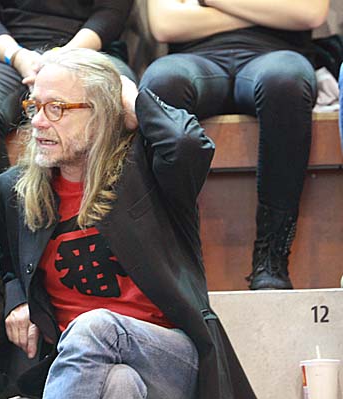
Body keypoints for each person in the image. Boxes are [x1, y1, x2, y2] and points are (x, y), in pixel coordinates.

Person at [0, 48, 255, 399]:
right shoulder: (13, 191)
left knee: (95, 326)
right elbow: (8, 261)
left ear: (101, 114)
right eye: (34, 107)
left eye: (56, 108)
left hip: (168, 357)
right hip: (81, 365)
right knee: (119, 383)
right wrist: (18, 299)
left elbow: (188, 143)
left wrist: (131, 98)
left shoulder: (147, 173)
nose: (38, 122)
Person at [140, 0, 329, 290]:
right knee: (162, 82)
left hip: (276, 55)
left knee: (285, 80)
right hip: (194, 59)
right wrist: (269, 12)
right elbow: (165, 25)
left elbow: (309, 13)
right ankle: (176, 256)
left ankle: (272, 255)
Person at [0, 0, 136, 243]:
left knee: (118, 100)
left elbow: (111, 12)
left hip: (89, 52)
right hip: (7, 55)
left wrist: (62, 60)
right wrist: (18, 57)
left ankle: (110, 230)